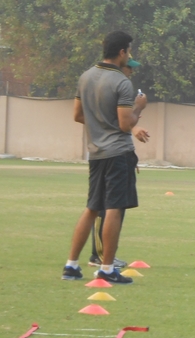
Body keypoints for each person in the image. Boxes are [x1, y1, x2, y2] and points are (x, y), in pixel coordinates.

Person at [61, 31, 147, 284]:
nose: (129, 56)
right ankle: (107, 268)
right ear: (122, 52)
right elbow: (124, 124)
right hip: (117, 153)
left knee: (91, 208)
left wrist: (100, 122)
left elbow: (77, 115)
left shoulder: (85, 77)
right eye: (128, 51)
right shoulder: (121, 82)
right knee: (114, 209)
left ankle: (71, 266)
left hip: (95, 153)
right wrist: (139, 107)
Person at [88, 57, 150, 269]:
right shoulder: (115, 85)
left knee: (114, 205)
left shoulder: (118, 88)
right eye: (128, 68)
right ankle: (99, 255)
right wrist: (138, 108)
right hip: (108, 153)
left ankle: (105, 255)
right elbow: (118, 122)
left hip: (117, 152)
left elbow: (118, 122)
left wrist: (132, 138)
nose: (131, 72)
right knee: (102, 207)